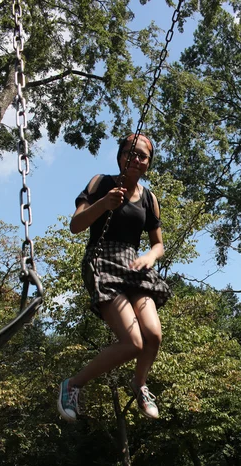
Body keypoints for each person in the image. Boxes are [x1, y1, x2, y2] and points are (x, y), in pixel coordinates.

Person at [57, 133, 171, 422]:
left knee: (153, 335)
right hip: (102, 259)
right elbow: (76, 225)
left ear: (148, 163)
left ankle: (140, 384)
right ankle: (72, 385)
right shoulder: (102, 183)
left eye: (142, 156)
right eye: (130, 153)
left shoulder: (149, 199)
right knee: (133, 342)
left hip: (135, 265)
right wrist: (104, 204)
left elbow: (158, 243)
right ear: (120, 157)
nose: (136, 159)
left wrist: (149, 256)